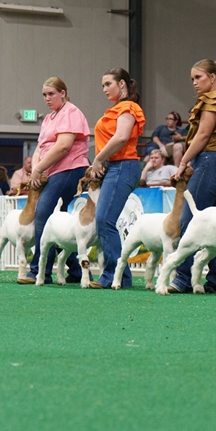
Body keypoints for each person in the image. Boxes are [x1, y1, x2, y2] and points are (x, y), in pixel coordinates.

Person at [165, 59, 216, 294]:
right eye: (192, 79)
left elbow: (204, 133)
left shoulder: (214, 98)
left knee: (190, 221)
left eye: (199, 77)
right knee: (210, 227)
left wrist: (183, 161)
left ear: (212, 77)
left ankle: (183, 278)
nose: (194, 83)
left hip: (210, 161)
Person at [20, 76, 92, 286]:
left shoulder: (72, 112)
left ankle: (38, 270)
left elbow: (63, 146)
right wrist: (35, 168)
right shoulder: (49, 118)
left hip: (71, 167)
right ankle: (77, 270)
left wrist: (39, 168)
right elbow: (41, 147)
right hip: (51, 171)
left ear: (63, 93)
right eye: (44, 95)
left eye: (51, 94)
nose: (47, 98)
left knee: (44, 213)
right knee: (60, 220)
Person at [89, 68, 145, 289]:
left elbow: (121, 137)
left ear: (122, 84)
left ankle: (113, 275)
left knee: (104, 220)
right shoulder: (116, 109)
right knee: (104, 220)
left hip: (123, 165)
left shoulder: (128, 108)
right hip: (115, 166)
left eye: (108, 84)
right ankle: (120, 276)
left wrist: (98, 159)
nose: (104, 89)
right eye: (102, 85)